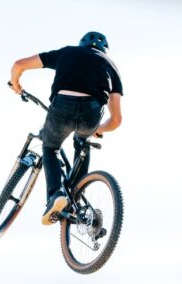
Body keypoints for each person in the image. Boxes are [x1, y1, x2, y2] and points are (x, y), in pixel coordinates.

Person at [9, 31, 123, 224]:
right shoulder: (111, 66)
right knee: (82, 143)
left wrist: (16, 84)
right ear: (104, 50)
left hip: (62, 106)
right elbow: (116, 120)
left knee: (50, 147)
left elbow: (19, 65)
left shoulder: (67, 53)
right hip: (91, 113)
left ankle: (55, 195)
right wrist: (99, 129)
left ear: (81, 45)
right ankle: (75, 198)